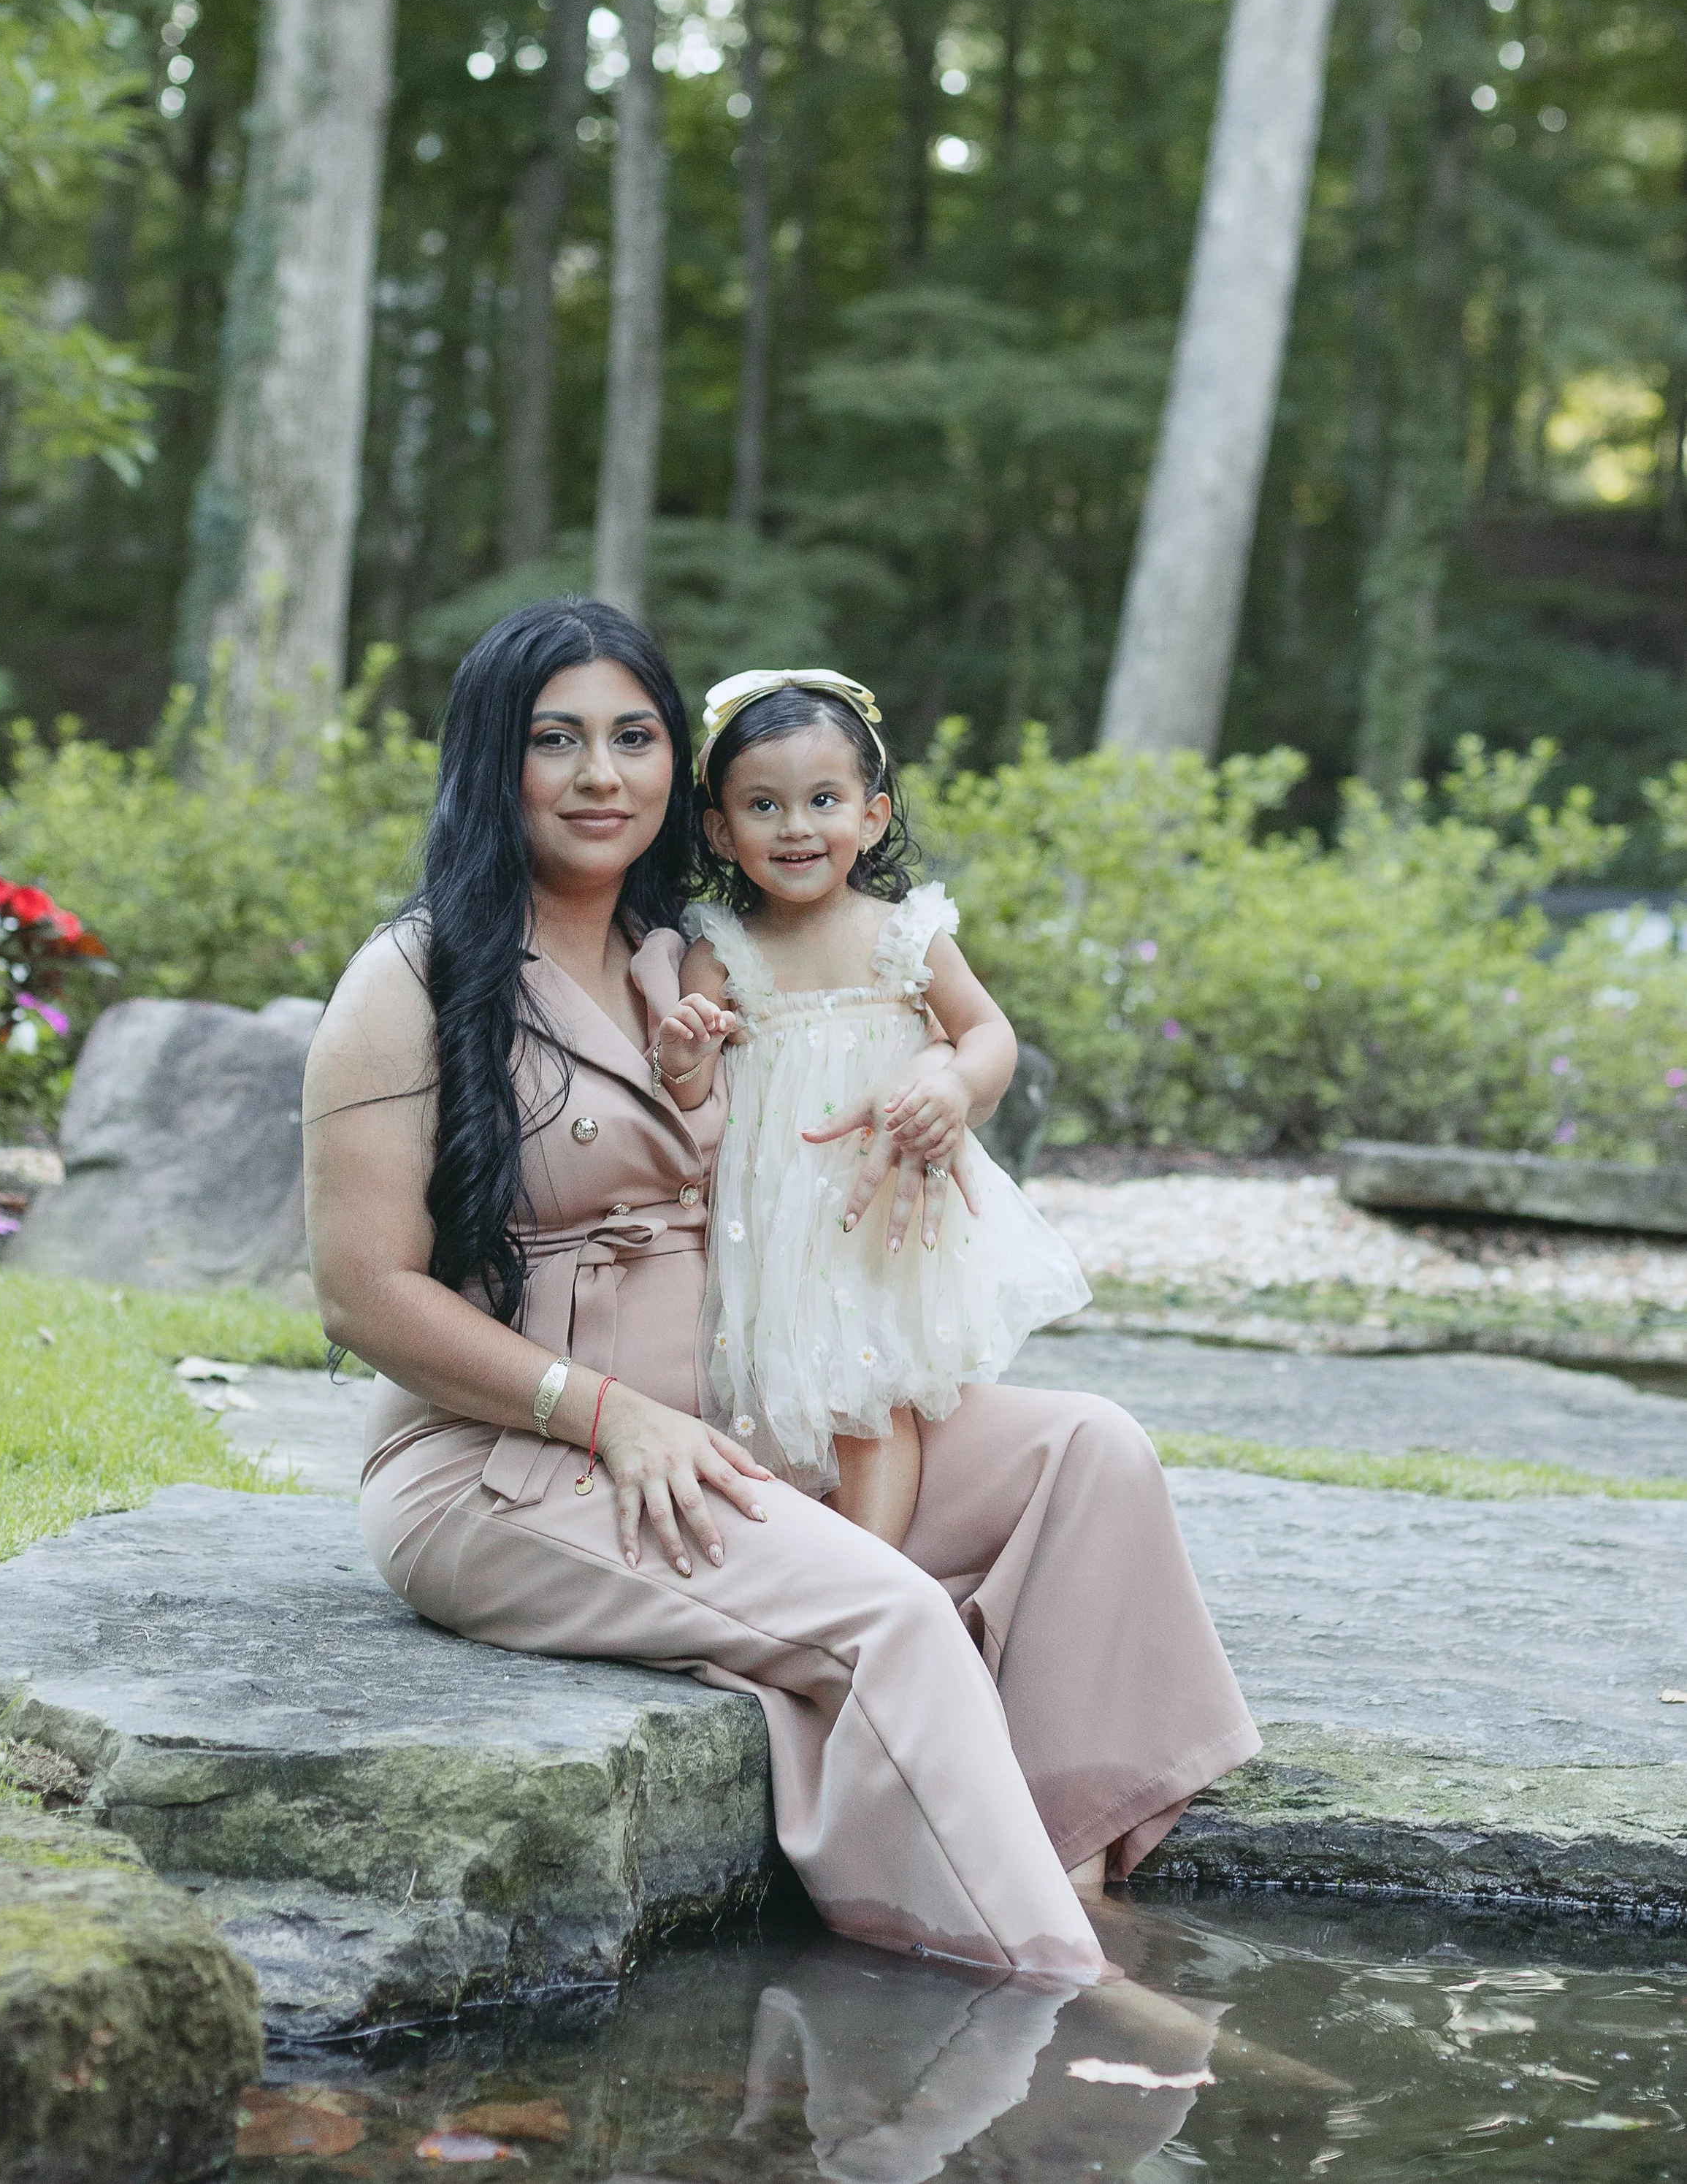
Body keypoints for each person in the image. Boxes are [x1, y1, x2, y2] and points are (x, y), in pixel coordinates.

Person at [305, 596, 1258, 1987]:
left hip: (758, 1405)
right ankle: (1062, 1990)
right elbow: (360, 1292)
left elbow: (886, 1065)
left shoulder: (685, 947)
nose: (599, 774)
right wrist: (604, 1411)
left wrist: (927, 1106)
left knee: (1091, 1452)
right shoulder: (413, 975)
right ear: (490, 761)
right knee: (889, 1610)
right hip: (518, 1460)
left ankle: (1071, 1863)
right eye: (554, 739)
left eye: (632, 736)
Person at [651, 667, 1089, 1541]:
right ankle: (803, 1566)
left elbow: (988, 1036)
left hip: (878, 1216)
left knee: (869, 1395)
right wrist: (682, 1056)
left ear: (873, 814)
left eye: (823, 799)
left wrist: (956, 1086)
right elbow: (695, 1099)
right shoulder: (721, 950)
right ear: (720, 830)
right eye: (763, 806)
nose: (797, 827)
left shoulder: (904, 932)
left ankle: (876, 1581)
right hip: (773, 1223)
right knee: (780, 1396)